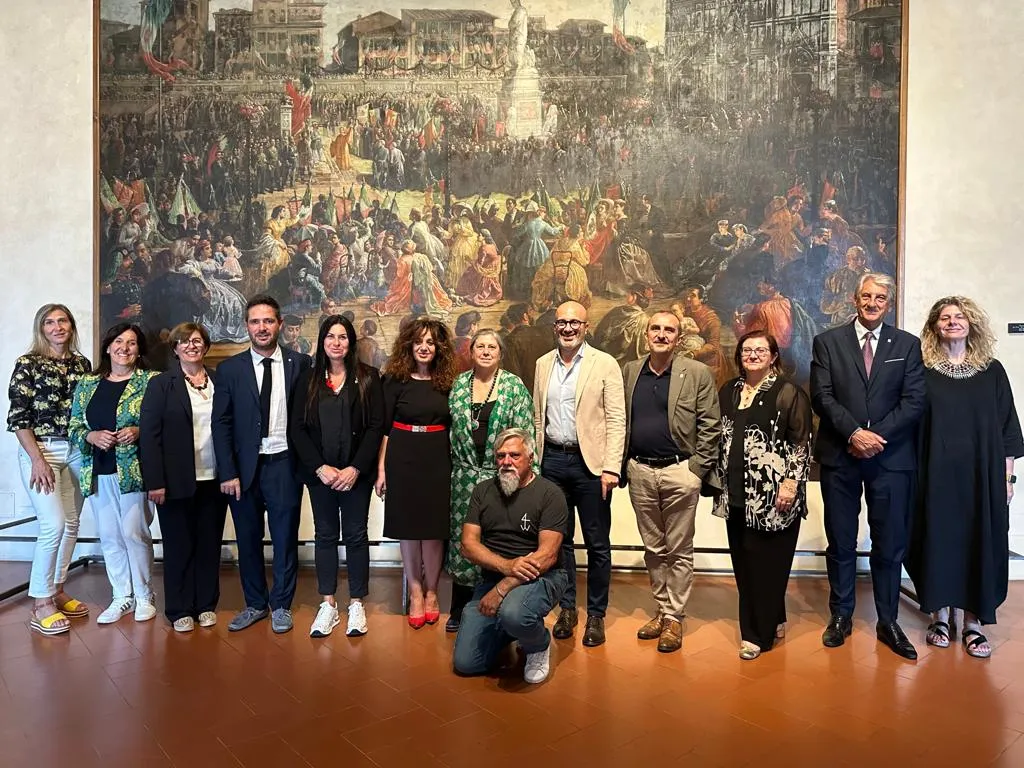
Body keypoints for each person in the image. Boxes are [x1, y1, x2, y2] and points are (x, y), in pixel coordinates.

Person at [810, 272, 925, 660]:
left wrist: (875, 437)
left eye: (880, 297)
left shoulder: (907, 346)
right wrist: (854, 434)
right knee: (840, 541)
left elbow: (914, 401)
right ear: (854, 299)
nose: (872, 302)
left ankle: (888, 621)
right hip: (840, 455)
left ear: (888, 303)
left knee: (889, 544)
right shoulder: (828, 342)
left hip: (890, 459)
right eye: (866, 296)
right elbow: (821, 396)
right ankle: (841, 616)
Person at [906, 297, 1023, 658]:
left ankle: (973, 622)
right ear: (934, 326)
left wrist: (1008, 479)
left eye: (959, 317)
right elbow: (910, 425)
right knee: (937, 539)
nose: (952, 322)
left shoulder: (992, 371)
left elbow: (1007, 429)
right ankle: (940, 616)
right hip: (935, 475)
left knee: (980, 542)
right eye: (945, 317)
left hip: (983, 477)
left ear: (971, 324)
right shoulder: (922, 371)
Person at [621, 311, 721, 653]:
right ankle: (662, 611)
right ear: (647, 333)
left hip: (680, 472)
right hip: (640, 472)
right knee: (653, 548)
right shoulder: (631, 371)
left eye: (669, 330)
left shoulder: (696, 373)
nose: (661, 334)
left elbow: (711, 424)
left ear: (678, 337)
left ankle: (674, 617)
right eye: (656, 328)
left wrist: (696, 470)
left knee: (678, 549)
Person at [212, 295, 312, 634]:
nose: (262, 327)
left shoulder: (301, 364)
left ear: (280, 324)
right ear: (246, 327)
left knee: (285, 538)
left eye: (268, 321)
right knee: (248, 538)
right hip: (243, 469)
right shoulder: (230, 370)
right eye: (255, 322)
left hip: (285, 463)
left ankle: (282, 604)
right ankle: (255, 603)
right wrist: (227, 471)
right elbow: (221, 423)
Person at [714, 331, 812, 659]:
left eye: (760, 350)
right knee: (744, 564)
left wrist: (790, 485)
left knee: (767, 567)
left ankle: (757, 635)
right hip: (736, 495)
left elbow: (801, 442)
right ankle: (775, 617)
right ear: (739, 356)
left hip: (774, 499)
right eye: (747, 350)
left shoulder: (788, 393)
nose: (753, 355)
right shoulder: (729, 391)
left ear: (773, 356)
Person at [534, 301, 626, 646]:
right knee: (559, 543)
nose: (568, 328)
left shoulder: (604, 364)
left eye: (575, 322)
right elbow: (536, 418)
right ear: (554, 326)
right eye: (562, 322)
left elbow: (617, 419)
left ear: (586, 327)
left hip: (592, 467)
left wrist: (610, 468)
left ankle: (597, 616)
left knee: (598, 544)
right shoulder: (543, 364)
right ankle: (568, 609)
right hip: (553, 463)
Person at [290, 315, 385, 638]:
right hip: (322, 477)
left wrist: (355, 468)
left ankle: (356, 602)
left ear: (351, 342)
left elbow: (375, 428)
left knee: (356, 535)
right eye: (330, 336)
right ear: (322, 341)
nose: (336, 342)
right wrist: (320, 467)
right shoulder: (308, 380)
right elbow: (297, 429)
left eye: (343, 337)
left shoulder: (369, 378)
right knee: (325, 535)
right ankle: (328, 603)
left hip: (355, 476)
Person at [452, 428, 568, 684]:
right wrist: (506, 566)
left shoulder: (550, 494)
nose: (506, 462)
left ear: (530, 457)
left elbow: (547, 556)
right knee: (466, 663)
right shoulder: (482, 491)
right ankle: (511, 628)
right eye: (500, 455)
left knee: (514, 613)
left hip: (543, 577)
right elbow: (468, 545)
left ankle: (538, 644)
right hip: (493, 578)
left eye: (514, 455)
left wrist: (503, 587)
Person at [8, 304, 92, 635]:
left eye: (63, 321)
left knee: (71, 522)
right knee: (52, 524)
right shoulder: (27, 364)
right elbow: (18, 417)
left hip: (75, 449)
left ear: (71, 326)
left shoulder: (81, 364)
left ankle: (57, 588)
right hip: (41, 449)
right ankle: (40, 602)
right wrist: (38, 459)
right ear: (41, 328)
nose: (57, 327)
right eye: (49, 322)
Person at [139, 323, 227, 632]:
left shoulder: (220, 381)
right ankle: (178, 609)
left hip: (215, 479)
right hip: (175, 481)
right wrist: (155, 481)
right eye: (184, 342)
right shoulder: (161, 385)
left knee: (208, 544)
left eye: (197, 341)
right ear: (175, 348)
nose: (191, 346)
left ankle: (205, 604)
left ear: (206, 346)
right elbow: (149, 437)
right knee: (179, 546)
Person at [446, 329, 534, 632]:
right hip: (464, 478)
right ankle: (459, 607)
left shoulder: (513, 386)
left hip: (501, 477)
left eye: (491, 346)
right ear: (472, 352)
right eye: (480, 346)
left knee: (495, 538)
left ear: (500, 352)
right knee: (465, 541)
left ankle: (496, 600)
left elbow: (524, 435)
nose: (485, 351)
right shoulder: (459, 385)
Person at [69, 323, 158, 624]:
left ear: (139, 350)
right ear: (108, 347)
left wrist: (138, 431)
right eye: (119, 341)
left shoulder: (151, 381)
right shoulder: (88, 383)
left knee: (135, 532)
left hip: (135, 470)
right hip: (98, 470)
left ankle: (145, 596)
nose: (125, 348)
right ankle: (122, 596)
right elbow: (74, 428)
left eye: (132, 343)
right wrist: (91, 436)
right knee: (109, 536)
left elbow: (165, 423)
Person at [376, 317, 455, 628]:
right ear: (409, 345)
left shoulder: (448, 381)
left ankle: (433, 591)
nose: (424, 347)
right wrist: (381, 468)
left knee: (434, 530)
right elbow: (384, 428)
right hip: (402, 454)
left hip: (437, 456)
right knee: (408, 530)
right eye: (419, 341)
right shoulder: (394, 380)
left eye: (431, 343)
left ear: (439, 348)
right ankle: (416, 591)